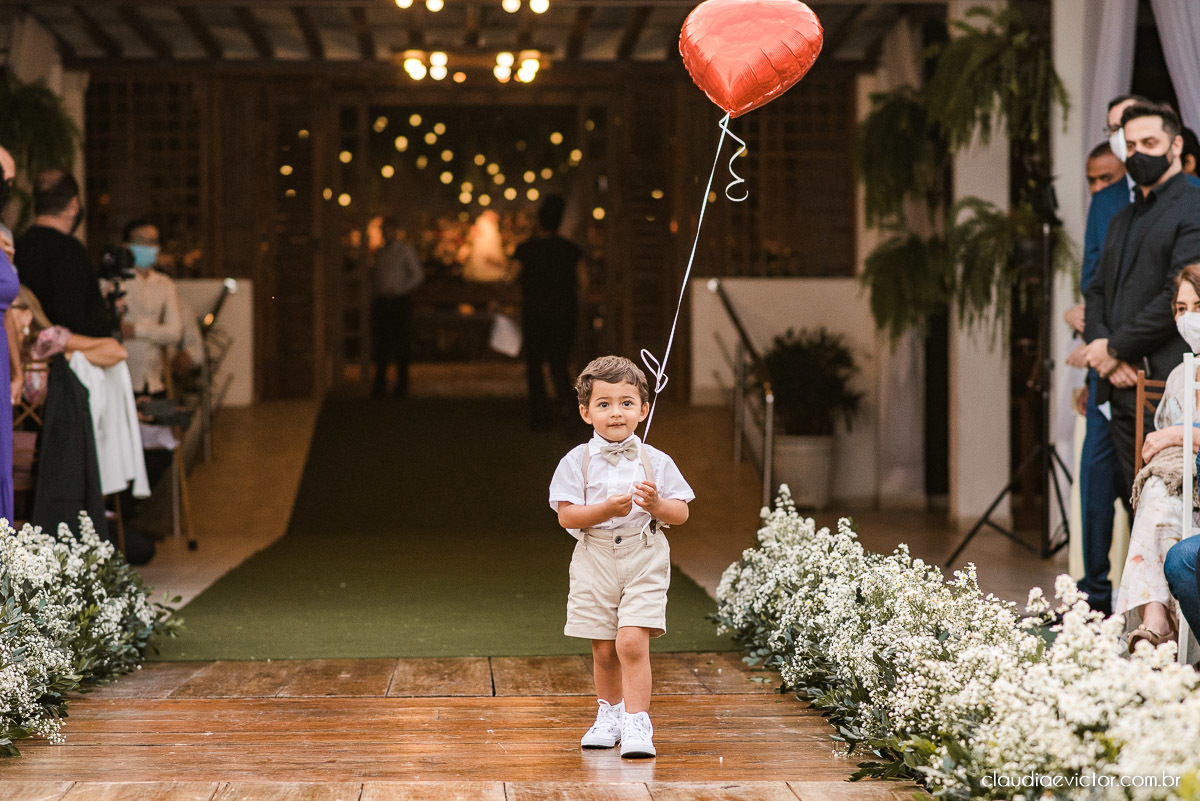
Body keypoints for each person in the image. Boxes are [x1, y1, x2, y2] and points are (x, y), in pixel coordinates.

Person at [1081, 102, 1200, 614]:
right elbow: (1097, 289)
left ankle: (1157, 626)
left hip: (1160, 380)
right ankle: (1123, 617)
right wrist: (1107, 353)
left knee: (1156, 500)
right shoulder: (1123, 213)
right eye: (1130, 146)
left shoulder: (1193, 205)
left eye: (1149, 144)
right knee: (1111, 500)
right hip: (1118, 379)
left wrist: (1114, 347)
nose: (1138, 155)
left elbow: (1177, 293)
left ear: (1175, 145)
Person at [548, 356, 694, 758]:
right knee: (603, 646)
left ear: (644, 409)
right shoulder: (576, 461)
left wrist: (658, 504)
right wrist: (605, 511)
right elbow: (566, 515)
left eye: (627, 403)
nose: (617, 412)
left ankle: (637, 721)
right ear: (585, 412)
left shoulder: (656, 461)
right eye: (605, 403)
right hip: (594, 557)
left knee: (631, 641)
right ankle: (609, 714)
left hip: (643, 554)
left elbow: (680, 513)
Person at [1116, 264, 1200, 650]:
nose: (1189, 317)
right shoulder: (1180, 375)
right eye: (1181, 308)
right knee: (1157, 489)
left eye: (1198, 305)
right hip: (1177, 485)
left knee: (1157, 496)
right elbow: (1159, 448)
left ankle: (1156, 617)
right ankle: (1155, 614)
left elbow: (1169, 435)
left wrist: (1181, 434)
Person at [514, 194, 584, 430]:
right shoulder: (570, 250)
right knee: (560, 365)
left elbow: (510, 276)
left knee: (534, 365)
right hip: (564, 313)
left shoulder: (526, 249)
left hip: (535, 313)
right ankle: (571, 410)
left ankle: (540, 416)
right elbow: (584, 281)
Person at [15, 170, 109, 337]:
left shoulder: (18, 246)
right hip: (67, 354)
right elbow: (73, 318)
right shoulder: (69, 250)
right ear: (73, 205)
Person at [119, 219, 182, 397]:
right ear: (127, 245)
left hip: (154, 380)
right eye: (142, 242)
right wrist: (156, 332)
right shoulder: (116, 281)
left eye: (153, 241)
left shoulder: (165, 284)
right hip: (122, 379)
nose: (149, 247)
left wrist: (136, 330)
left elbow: (174, 332)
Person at [371, 217, 424, 397]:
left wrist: (399, 289)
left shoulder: (404, 251)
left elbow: (417, 275)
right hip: (383, 302)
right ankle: (380, 384)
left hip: (398, 302)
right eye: (383, 230)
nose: (386, 233)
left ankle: (402, 385)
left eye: (388, 229)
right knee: (382, 344)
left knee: (401, 343)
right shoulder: (380, 252)